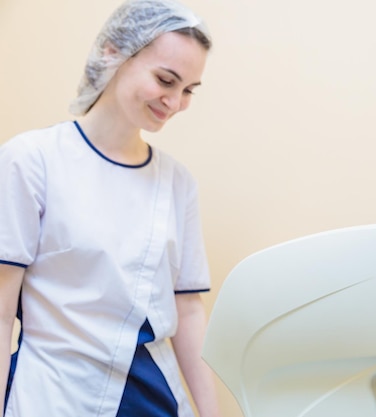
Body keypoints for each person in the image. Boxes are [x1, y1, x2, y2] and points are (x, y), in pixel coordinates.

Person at [0, 0, 221, 415]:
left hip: (150, 396)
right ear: (112, 52)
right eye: (166, 79)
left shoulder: (176, 183)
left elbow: (188, 311)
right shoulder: (31, 160)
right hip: (52, 394)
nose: (174, 101)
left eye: (188, 90)